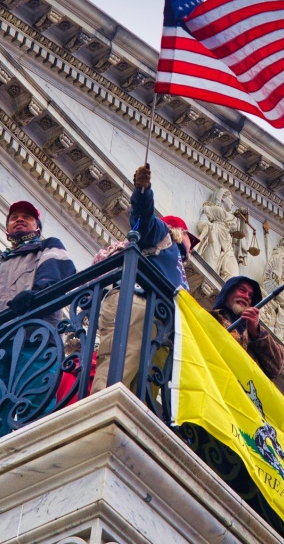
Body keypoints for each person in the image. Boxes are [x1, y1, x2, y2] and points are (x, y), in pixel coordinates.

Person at [90, 163, 198, 393]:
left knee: (142, 394)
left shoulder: (178, 268)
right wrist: (143, 191)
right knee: (116, 375)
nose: (193, 248)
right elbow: (142, 219)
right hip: (138, 304)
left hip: (161, 325)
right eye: (192, 240)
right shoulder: (163, 237)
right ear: (180, 232)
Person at [0, 200, 77, 321]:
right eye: (14, 218)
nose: (19, 219)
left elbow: (55, 275)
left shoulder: (47, 246)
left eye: (26, 217)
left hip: (33, 333)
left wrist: (36, 293)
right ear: (7, 229)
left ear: (37, 228)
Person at [210, 276, 284, 380]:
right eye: (242, 290)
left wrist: (256, 333)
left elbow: (278, 366)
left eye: (250, 296)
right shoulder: (210, 318)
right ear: (228, 293)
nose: (246, 296)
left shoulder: (254, 333)